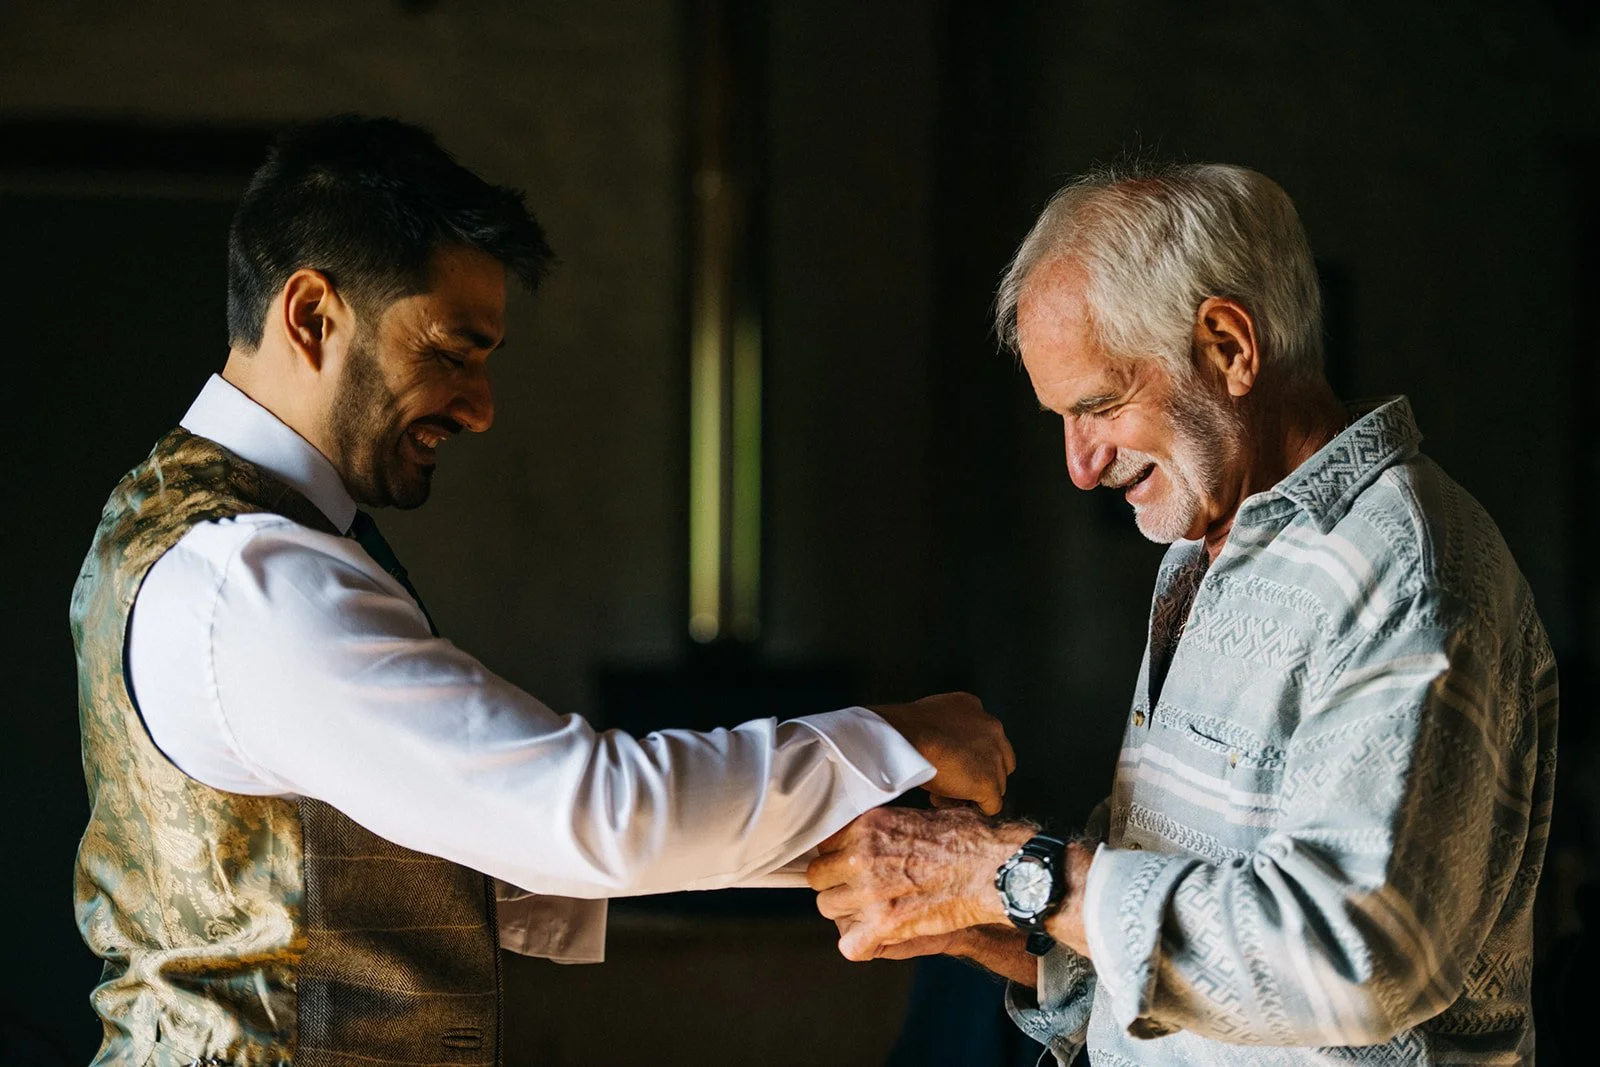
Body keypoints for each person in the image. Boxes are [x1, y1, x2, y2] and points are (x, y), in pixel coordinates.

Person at [70, 114, 1015, 1065]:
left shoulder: (184, 525)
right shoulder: (257, 577)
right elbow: (580, 813)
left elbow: (463, 848)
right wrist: (896, 739)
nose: (479, 408)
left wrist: (870, 834)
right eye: (450, 349)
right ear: (312, 315)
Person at [806, 162, 1558, 1065]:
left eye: (1099, 405)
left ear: (1231, 347)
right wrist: (968, 913)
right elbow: (1179, 948)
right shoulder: (1204, 554)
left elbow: (1348, 958)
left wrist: (1001, 872)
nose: (1079, 466)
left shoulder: (1405, 571)